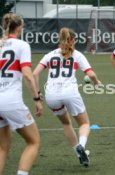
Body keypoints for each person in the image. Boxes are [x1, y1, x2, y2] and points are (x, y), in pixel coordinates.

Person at [33, 27, 101, 167]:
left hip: (51, 95)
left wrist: (37, 94)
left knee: (66, 123)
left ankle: (78, 152)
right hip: (70, 93)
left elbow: (34, 74)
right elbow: (91, 74)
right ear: (72, 40)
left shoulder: (49, 55)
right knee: (84, 123)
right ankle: (81, 145)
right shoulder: (77, 55)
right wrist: (96, 83)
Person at [0, 13, 43, 175]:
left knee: (3, 146)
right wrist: (37, 98)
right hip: (10, 101)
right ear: (19, 28)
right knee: (34, 141)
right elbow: (27, 74)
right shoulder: (22, 45)